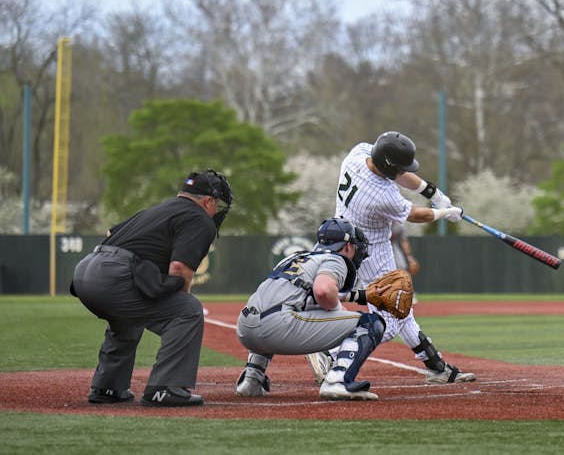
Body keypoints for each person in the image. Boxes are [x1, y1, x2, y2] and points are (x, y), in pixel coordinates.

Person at [306, 131, 476, 384]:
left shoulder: (357, 154)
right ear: (388, 166)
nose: (402, 171)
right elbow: (415, 215)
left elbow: (397, 173)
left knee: (401, 307)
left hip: (340, 238)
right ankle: (331, 350)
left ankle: (437, 367)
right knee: (389, 321)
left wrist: (433, 192)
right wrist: (444, 212)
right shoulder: (382, 195)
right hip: (371, 250)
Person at [70, 169, 233, 407]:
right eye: (216, 204)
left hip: (86, 270)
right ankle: (165, 388)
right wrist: (176, 308)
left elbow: (110, 232)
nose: (215, 210)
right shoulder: (199, 218)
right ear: (208, 201)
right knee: (187, 309)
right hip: (114, 274)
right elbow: (179, 268)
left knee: (128, 317)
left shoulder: (158, 209)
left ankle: (108, 387)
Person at [234, 217, 385, 401]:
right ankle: (338, 381)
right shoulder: (336, 259)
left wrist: (359, 295)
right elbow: (322, 291)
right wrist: (339, 310)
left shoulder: (296, 257)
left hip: (245, 328)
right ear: (347, 246)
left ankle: (251, 379)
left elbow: (304, 295)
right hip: (276, 327)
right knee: (370, 323)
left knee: (272, 310)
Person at [391, 220, 420, 304]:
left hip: (393, 246)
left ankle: (408, 294)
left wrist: (409, 257)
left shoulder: (399, 226)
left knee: (402, 268)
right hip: (377, 246)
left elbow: (404, 241)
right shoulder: (380, 221)